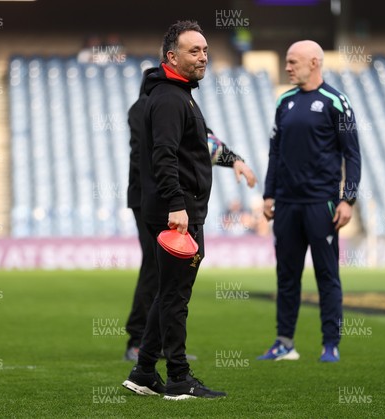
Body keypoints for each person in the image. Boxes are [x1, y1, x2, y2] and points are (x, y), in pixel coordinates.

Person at [121, 20, 244, 400]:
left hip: (180, 208)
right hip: (178, 210)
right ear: (172, 57)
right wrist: (177, 204)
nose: (203, 56)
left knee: (166, 291)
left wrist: (232, 159)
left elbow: (193, 148)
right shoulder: (172, 98)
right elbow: (164, 156)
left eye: (206, 50)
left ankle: (144, 372)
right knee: (175, 295)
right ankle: (178, 376)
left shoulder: (177, 94)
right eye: (195, 51)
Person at [258, 40, 361, 362]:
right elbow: (275, 152)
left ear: (314, 62)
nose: (286, 67)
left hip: (322, 204)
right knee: (286, 276)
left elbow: (352, 155)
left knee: (326, 275)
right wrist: (269, 194)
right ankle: (284, 343)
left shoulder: (336, 101)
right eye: (286, 62)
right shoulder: (284, 101)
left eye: (292, 62)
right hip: (287, 204)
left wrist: (348, 200)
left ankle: (330, 344)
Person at [124, 131, 256, 362]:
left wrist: (234, 159)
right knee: (160, 274)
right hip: (160, 201)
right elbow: (162, 150)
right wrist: (175, 201)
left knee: (169, 279)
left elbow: (202, 139)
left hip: (171, 201)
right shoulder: (164, 102)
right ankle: (142, 346)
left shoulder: (179, 102)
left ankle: (150, 355)